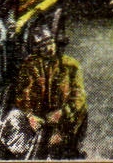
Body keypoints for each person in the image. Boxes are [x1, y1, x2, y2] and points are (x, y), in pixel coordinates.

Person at [9, 22, 88, 159]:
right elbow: (22, 95)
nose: (49, 48)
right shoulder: (29, 67)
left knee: (61, 150)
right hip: (41, 119)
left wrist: (62, 113)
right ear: (37, 50)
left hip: (67, 119)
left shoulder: (71, 65)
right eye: (43, 46)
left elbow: (78, 98)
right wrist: (29, 116)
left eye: (50, 43)